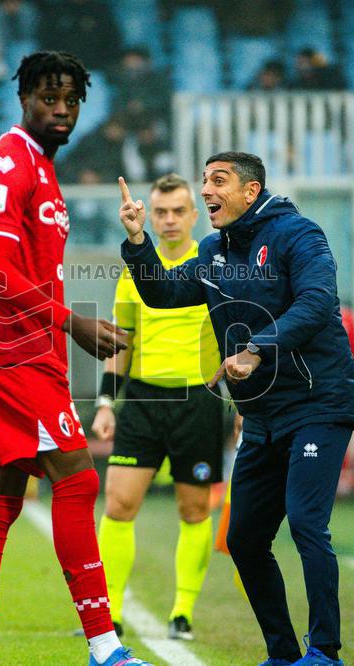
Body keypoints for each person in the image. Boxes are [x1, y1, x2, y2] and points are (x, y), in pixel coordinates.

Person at [118, 152, 354, 666]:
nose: (207, 190)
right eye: (204, 180)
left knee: (305, 523)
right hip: (263, 413)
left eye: (218, 181)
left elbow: (318, 303)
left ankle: (324, 652)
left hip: (318, 401)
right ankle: (281, 653)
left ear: (251, 192)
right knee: (245, 538)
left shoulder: (300, 235)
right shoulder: (213, 249)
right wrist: (138, 242)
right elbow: (162, 293)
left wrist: (254, 350)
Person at [0, 51, 149, 666]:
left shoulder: (40, 166)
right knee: (79, 477)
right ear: (24, 100)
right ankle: (104, 646)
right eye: (47, 98)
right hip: (6, 350)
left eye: (70, 100)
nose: (60, 109)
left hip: (22, 349)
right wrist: (73, 323)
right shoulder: (9, 163)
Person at [90, 173, 223, 641]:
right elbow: (121, 340)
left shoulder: (214, 263)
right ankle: (110, 614)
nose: (168, 220)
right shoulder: (136, 267)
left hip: (199, 402)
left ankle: (182, 610)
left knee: (194, 510)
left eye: (177, 211)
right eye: (160, 212)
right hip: (143, 399)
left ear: (194, 214)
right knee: (119, 504)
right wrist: (107, 403)